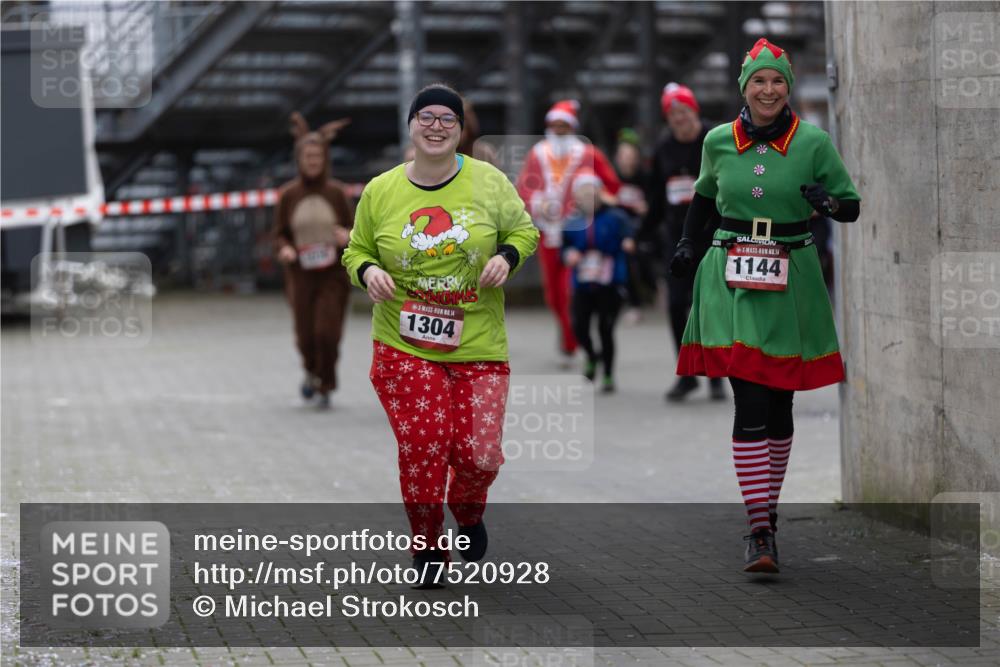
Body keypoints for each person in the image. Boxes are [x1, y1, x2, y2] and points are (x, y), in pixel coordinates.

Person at [669, 38, 860, 573]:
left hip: (791, 273)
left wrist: (829, 204)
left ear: (788, 87)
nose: (769, 89)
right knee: (749, 399)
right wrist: (687, 244)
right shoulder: (716, 141)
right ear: (744, 89)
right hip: (729, 274)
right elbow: (704, 197)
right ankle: (758, 530)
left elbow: (851, 205)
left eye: (778, 80)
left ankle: (767, 516)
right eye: (759, 81)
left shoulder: (814, 142)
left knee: (780, 406)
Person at [342, 84, 539, 588]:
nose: (435, 126)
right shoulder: (381, 190)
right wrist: (367, 273)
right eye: (425, 116)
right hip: (403, 342)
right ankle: (428, 547)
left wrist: (506, 257)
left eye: (447, 118)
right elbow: (356, 250)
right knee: (426, 443)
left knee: (479, 454)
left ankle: (468, 512)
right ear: (411, 126)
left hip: (478, 343)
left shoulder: (489, 182)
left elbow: (525, 232)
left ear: (461, 129)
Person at [516, 100, 621, 363]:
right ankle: (569, 336)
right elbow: (523, 188)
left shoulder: (587, 153)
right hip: (548, 233)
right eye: (555, 125)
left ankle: (572, 340)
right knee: (552, 294)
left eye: (564, 125)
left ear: (571, 127)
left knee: (568, 291)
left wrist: (596, 202)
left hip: (579, 233)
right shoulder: (538, 154)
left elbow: (612, 186)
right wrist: (538, 201)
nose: (559, 130)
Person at [645, 83, 725, 402]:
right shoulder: (663, 149)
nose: (679, 118)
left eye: (684, 111)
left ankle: (717, 375)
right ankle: (688, 374)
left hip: (714, 236)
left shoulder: (714, 141)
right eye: (672, 113)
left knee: (712, 308)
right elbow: (655, 199)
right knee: (677, 306)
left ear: (695, 111)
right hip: (677, 240)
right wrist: (640, 235)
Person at [273, 112, 353, 409]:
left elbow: (356, 230)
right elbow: (279, 234)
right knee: (306, 337)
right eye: (308, 156)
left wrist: (348, 235)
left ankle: (326, 383)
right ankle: (310, 370)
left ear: (325, 158)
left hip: (333, 274)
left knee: (327, 333)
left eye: (318, 155)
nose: (313, 161)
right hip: (301, 276)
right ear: (299, 159)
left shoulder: (337, 193)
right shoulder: (288, 195)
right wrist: (285, 249)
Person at [562, 170, 635, 392]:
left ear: (599, 193)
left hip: (609, 281)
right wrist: (569, 254)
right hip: (583, 282)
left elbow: (630, 233)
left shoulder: (615, 217)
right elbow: (564, 248)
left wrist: (628, 242)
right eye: (582, 193)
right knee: (579, 327)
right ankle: (592, 356)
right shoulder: (572, 221)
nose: (588, 197)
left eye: (591, 192)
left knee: (606, 328)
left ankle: (609, 375)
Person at [612, 128, 654, 321]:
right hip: (619, 228)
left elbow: (653, 202)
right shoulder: (613, 178)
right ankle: (633, 303)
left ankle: (653, 286)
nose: (626, 160)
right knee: (625, 261)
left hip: (640, 227)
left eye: (630, 155)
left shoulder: (644, 177)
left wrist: (645, 207)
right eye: (623, 155)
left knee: (642, 258)